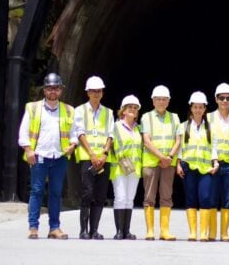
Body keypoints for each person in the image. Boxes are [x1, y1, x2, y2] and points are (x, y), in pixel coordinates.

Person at [18, 72, 77, 240]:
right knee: (36, 191)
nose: (53, 91)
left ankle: (54, 227)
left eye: (56, 88)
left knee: (56, 193)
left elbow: (74, 133)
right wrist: (29, 150)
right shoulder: (33, 108)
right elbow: (23, 132)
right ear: (44, 90)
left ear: (61, 91)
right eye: (50, 88)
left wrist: (72, 145)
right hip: (39, 156)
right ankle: (33, 227)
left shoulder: (68, 110)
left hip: (59, 156)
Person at [73, 75, 114, 240]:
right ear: (87, 92)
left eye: (99, 91)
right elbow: (80, 132)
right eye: (93, 91)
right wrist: (91, 154)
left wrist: (104, 154)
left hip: (104, 159)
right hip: (87, 158)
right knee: (87, 193)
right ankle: (84, 230)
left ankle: (94, 230)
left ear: (102, 92)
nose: (96, 93)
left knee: (100, 195)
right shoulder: (80, 111)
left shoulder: (108, 112)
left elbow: (110, 135)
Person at [177, 91, 219, 241]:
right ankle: (193, 232)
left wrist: (216, 161)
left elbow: (214, 146)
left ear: (205, 108)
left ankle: (203, 233)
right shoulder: (183, 126)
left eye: (200, 107)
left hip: (205, 168)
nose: (198, 110)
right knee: (190, 198)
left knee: (205, 198)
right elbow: (180, 147)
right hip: (188, 167)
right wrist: (178, 164)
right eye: (195, 107)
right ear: (191, 108)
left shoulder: (210, 127)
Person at [141, 85, 181, 240]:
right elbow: (146, 141)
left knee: (166, 196)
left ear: (169, 101)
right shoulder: (146, 117)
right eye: (158, 99)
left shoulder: (175, 117)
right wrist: (161, 157)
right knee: (149, 196)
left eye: (164, 99)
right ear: (153, 101)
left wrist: (169, 157)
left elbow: (178, 140)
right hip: (151, 162)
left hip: (168, 163)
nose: (161, 102)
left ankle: (164, 230)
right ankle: (150, 230)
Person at [208, 82, 229, 241]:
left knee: (228, 198)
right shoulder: (208, 117)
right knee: (212, 197)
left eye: (228, 98)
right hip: (214, 164)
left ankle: (224, 232)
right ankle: (212, 232)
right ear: (216, 99)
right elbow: (207, 142)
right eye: (222, 98)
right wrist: (214, 160)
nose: (225, 101)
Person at [110, 94, 143, 240]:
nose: (133, 110)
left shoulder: (139, 129)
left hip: (134, 168)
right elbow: (110, 145)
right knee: (120, 197)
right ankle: (118, 231)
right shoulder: (115, 126)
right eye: (130, 107)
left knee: (130, 198)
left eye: (135, 108)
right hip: (119, 167)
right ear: (123, 110)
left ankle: (126, 231)